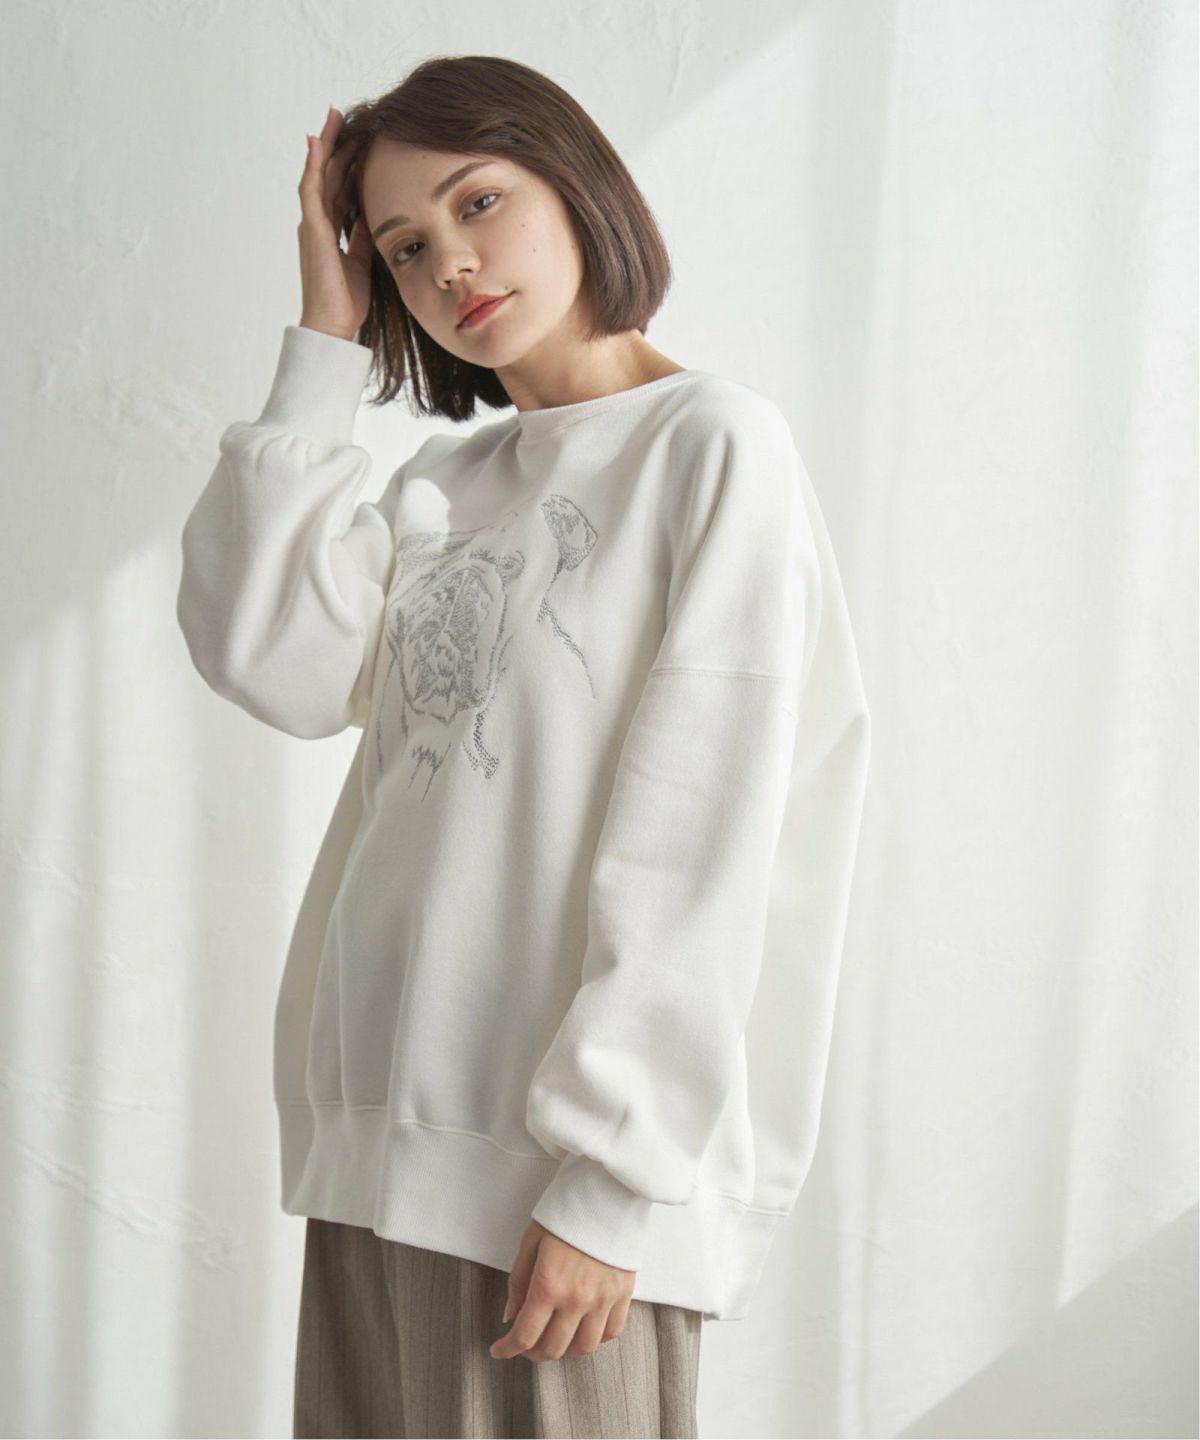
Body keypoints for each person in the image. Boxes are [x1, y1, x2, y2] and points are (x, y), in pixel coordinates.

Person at [176, 54, 871, 1440]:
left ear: (575, 179)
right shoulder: (446, 482)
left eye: (479, 201)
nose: (450, 263)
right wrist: (325, 338)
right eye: (402, 246)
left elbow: (707, 834)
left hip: (553, 1193)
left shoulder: (711, 446)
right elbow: (265, 651)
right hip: (378, 1156)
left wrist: (610, 1182)